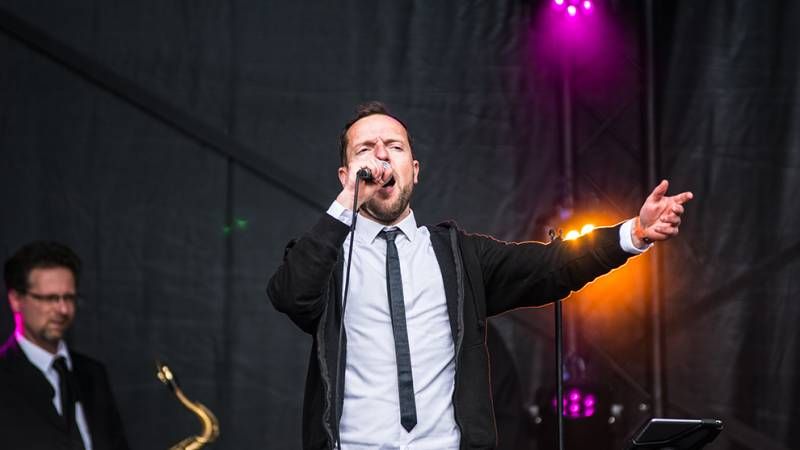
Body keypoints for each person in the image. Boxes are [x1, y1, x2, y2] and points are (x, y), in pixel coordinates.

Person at [267, 102, 692, 449]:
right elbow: (291, 296)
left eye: (393, 146)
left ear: (414, 170)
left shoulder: (458, 255)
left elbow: (550, 266)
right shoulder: (329, 257)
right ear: (345, 176)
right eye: (365, 149)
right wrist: (346, 203)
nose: (380, 156)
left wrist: (633, 233)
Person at [0, 241, 129, 450]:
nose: (63, 309)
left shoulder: (93, 375)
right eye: (50, 298)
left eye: (69, 297)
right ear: (16, 299)